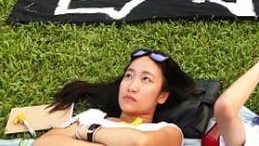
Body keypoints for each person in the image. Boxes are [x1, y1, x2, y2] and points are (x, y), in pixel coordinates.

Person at [36, 47, 195, 145]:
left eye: (145, 79)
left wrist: (86, 133)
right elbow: (43, 143)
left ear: (162, 96)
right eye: (129, 76)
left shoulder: (168, 131)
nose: (132, 87)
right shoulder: (93, 116)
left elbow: (140, 143)